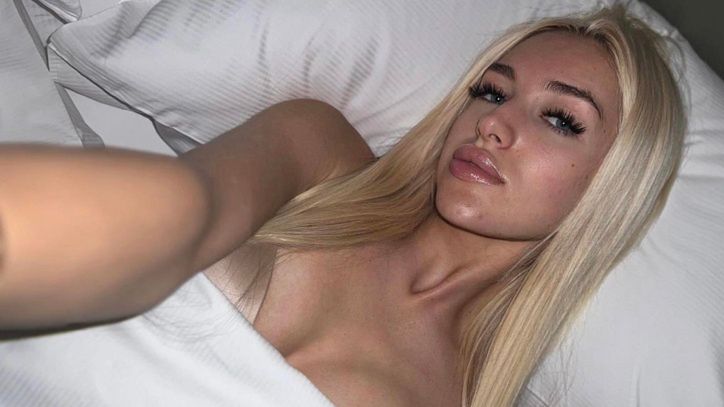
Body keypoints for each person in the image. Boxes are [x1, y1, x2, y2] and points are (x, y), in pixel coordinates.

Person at [0, 4, 685, 407]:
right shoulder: (321, 155)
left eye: (561, 119)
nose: (493, 124)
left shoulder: (462, 395)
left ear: (612, 186)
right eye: (490, 91)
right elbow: (186, 210)